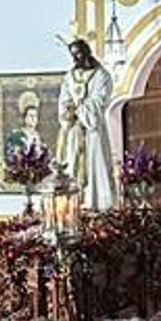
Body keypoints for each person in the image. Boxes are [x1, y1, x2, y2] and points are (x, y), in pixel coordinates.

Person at [57, 38, 115, 209]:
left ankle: (96, 205)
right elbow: (64, 100)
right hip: (74, 131)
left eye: (79, 54)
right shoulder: (69, 77)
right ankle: (74, 207)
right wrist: (68, 112)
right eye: (73, 55)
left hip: (93, 131)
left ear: (87, 52)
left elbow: (99, 102)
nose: (76, 59)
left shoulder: (102, 76)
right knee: (72, 164)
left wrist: (80, 108)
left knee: (96, 166)